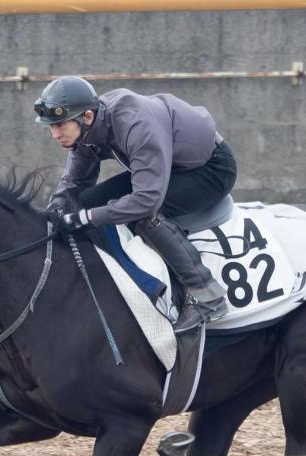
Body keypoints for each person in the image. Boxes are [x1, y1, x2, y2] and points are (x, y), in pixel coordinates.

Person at [34, 76, 236, 333]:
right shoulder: (88, 128)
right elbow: (75, 184)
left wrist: (86, 218)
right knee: (86, 201)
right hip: (172, 167)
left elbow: (146, 201)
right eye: (51, 126)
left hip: (211, 169)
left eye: (60, 125)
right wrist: (51, 214)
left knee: (145, 214)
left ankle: (208, 296)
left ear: (86, 117)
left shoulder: (134, 123)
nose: (54, 134)